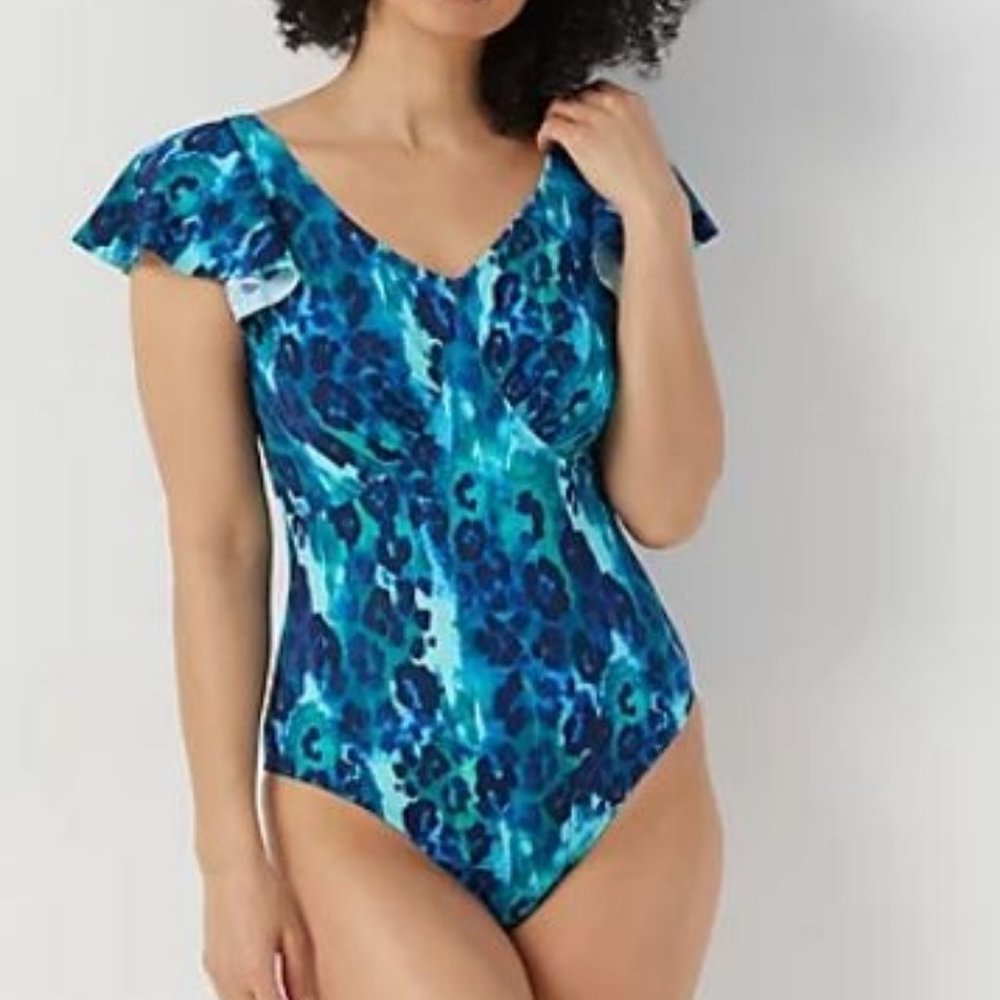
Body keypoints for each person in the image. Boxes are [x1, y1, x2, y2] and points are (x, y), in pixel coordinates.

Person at [70, 1, 726, 997]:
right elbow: (218, 543)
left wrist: (657, 217)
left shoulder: (596, 180)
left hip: (623, 759)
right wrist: (228, 862)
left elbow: (668, 505)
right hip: (359, 784)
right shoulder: (216, 191)